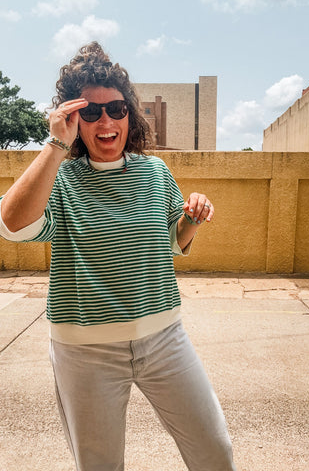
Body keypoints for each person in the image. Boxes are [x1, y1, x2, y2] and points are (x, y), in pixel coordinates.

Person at [0, 42, 236, 471]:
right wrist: (54, 144)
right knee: (100, 465)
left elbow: (170, 241)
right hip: (84, 350)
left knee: (215, 451)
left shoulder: (155, 171)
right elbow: (11, 224)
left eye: (116, 109)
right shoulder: (62, 177)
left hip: (165, 339)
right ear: (72, 119)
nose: (106, 121)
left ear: (130, 114)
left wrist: (192, 220)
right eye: (89, 112)